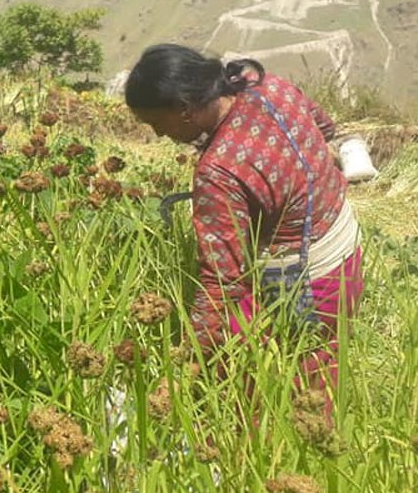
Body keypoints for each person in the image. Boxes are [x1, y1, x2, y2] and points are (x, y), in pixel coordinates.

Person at [124, 44, 362, 413]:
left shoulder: (218, 171)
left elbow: (222, 281)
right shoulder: (266, 86)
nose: (158, 135)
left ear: (184, 109)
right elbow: (325, 126)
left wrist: (190, 362)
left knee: (248, 392)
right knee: (318, 378)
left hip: (305, 284)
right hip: (347, 255)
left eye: (156, 123)